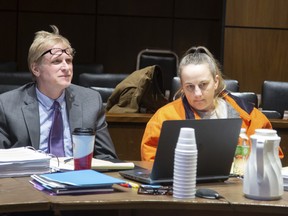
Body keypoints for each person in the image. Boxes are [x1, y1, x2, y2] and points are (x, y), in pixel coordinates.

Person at [141, 46, 284, 161]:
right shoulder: (164, 118)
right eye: (189, 86)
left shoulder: (249, 115)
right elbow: (150, 160)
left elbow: (273, 157)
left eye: (203, 84)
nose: (197, 93)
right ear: (182, 87)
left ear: (216, 82)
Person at [0, 25, 117, 159]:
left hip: (77, 177)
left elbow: (107, 157)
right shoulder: (7, 105)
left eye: (68, 61)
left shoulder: (90, 101)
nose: (66, 67)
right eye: (56, 61)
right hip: (28, 177)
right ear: (36, 69)